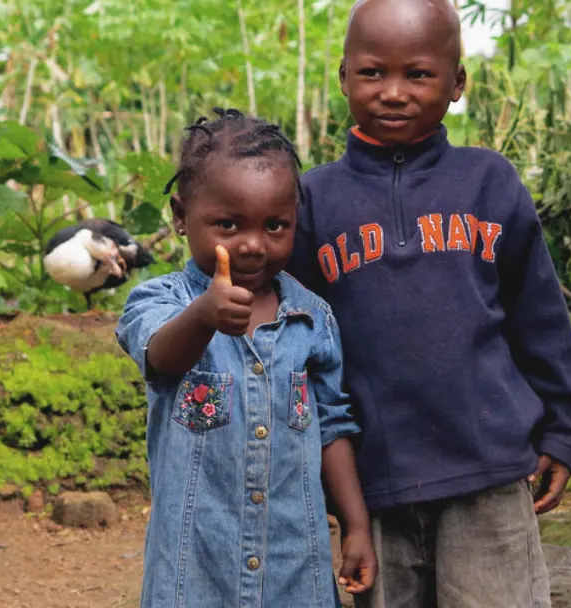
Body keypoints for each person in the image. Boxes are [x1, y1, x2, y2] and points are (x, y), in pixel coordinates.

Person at [286, 1, 571, 606]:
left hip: (490, 472)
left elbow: (539, 317)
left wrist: (562, 428)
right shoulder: (311, 201)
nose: (393, 92)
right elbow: (300, 344)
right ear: (343, 76)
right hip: (375, 483)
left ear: (457, 84)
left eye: (418, 74)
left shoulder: (490, 183)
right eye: (372, 72)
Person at [116, 107, 377, 607]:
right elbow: (160, 358)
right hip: (195, 565)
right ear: (179, 216)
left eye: (276, 225)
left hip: (293, 565)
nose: (254, 245)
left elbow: (331, 425)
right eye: (229, 224)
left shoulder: (311, 317)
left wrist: (356, 525)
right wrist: (203, 317)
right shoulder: (160, 303)